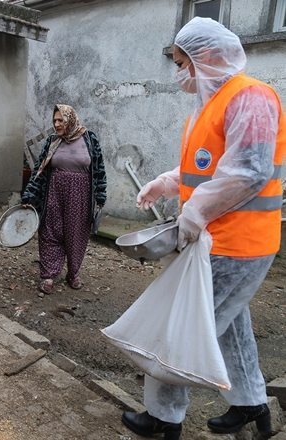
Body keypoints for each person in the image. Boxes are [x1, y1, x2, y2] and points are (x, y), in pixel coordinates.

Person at [124, 17, 284, 440]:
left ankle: (164, 418)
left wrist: (192, 216)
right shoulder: (211, 105)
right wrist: (168, 181)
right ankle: (252, 405)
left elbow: (247, 172)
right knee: (230, 326)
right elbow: (208, 165)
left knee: (181, 331)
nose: (178, 71)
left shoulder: (251, 97)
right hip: (223, 239)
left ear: (206, 57)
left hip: (237, 242)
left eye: (182, 62)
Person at [21, 104, 107, 296]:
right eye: (54, 121)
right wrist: (30, 196)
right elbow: (39, 171)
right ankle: (49, 275)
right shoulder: (52, 141)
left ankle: (73, 273)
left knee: (76, 233)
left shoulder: (89, 139)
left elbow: (99, 170)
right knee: (50, 230)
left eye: (61, 120)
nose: (57, 124)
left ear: (71, 119)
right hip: (54, 192)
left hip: (81, 195)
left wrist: (100, 195)